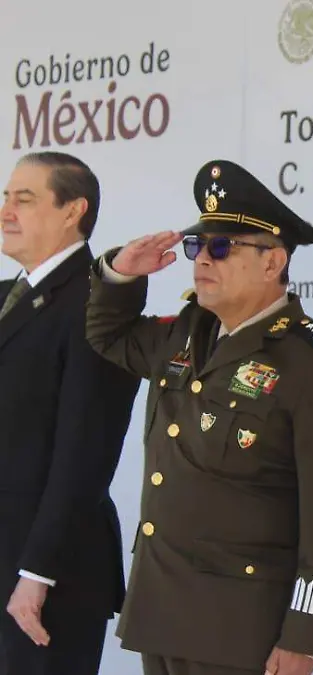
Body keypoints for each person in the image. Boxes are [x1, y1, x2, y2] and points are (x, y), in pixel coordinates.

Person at [84, 159, 313, 675]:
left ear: (272, 262)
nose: (203, 260)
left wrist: (309, 638)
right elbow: (108, 335)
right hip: (162, 613)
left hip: (244, 632)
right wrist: (120, 273)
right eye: (198, 246)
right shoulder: (184, 334)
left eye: (222, 248)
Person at [0, 151, 141, 675]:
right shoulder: (9, 297)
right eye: (6, 198)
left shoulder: (97, 301)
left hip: (44, 579)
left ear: (72, 211)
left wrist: (38, 572)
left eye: (25, 199)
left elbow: (85, 451)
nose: (6, 211)